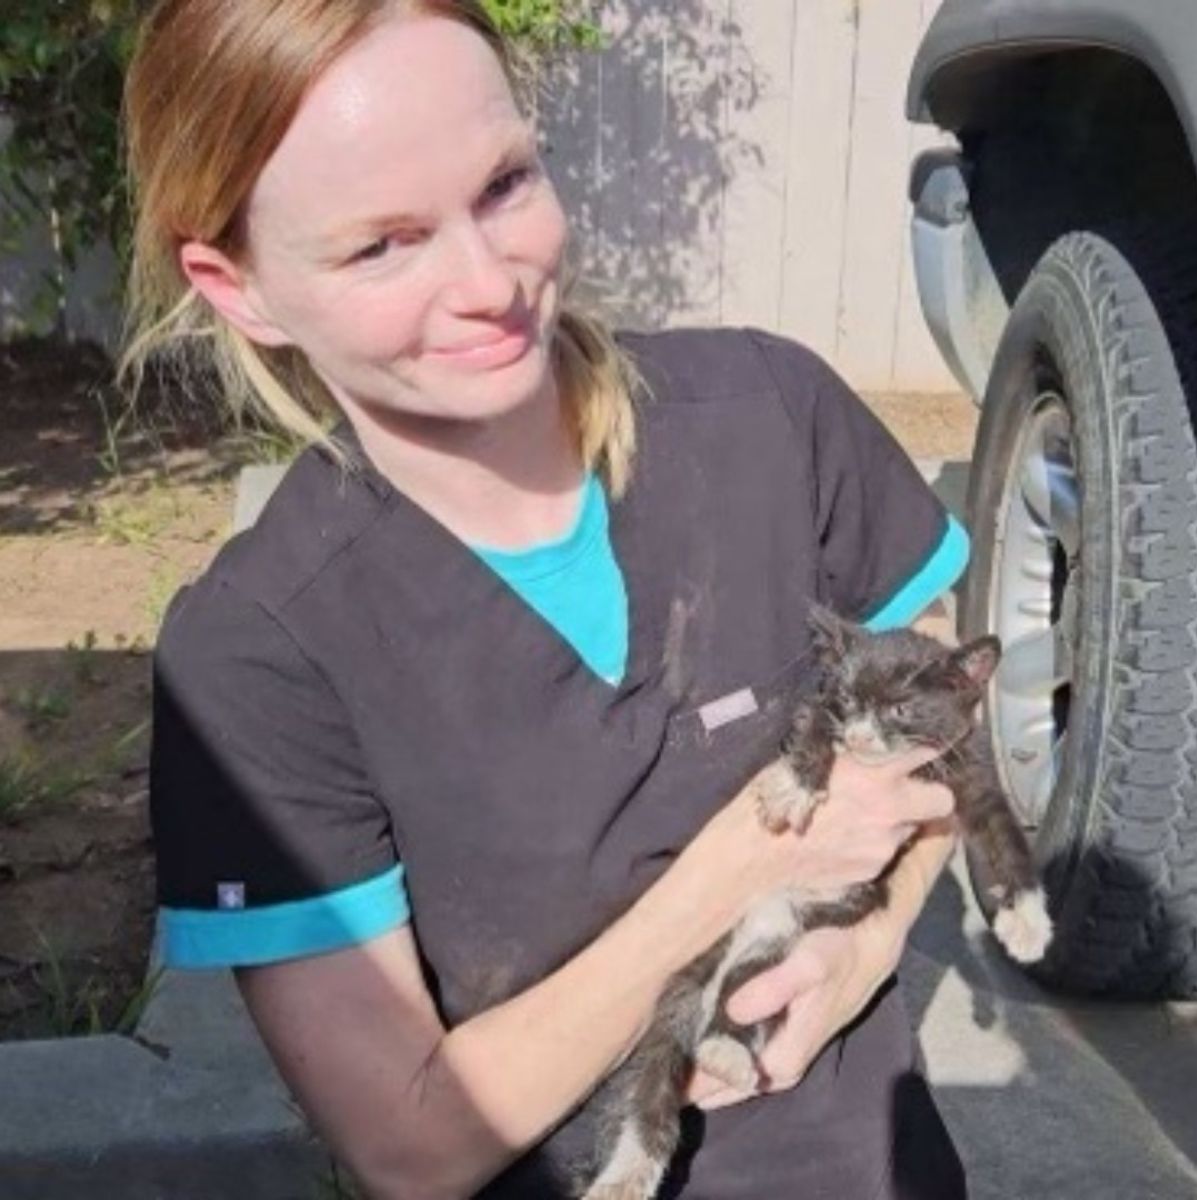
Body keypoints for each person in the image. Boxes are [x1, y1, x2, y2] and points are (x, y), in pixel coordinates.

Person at [126, 2, 973, 1197]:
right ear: (238, 284)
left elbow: (934, 681)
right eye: (382, 246)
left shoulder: (772, 417)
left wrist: (873, 939)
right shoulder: (258, 656)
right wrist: (741, 861)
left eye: (505, 183)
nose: (489, 281)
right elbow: (412, 1146)